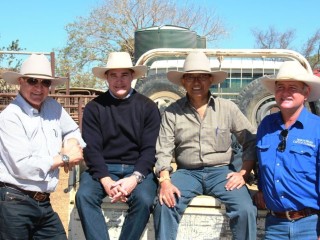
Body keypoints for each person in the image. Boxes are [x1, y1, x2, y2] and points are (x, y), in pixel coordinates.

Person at [153, 51, 257, 240]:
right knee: (164, 205)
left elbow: (250, 140)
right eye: (191, 77)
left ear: (210, 80)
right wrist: (165, 181)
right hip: (187, 173)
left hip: (221, 172)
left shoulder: (227, 108)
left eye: (202, 77)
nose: (197, 82)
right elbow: (164, 149)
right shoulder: (172, 112)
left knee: (245, 209)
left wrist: (243, 173)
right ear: (183, 81)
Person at [75, 52, 161, 240]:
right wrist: (105, 180)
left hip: (136, 168)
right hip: (103, 168)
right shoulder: (94, 107)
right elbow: (92, 148)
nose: (119, 80)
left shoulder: (147, 107)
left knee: (145, 199)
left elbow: (150, 149)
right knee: (84, 196)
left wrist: (134, 179)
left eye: (124, 75)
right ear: (106, 78)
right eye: (113, 75)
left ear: (132, 77)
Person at [0, 54, 85, 239]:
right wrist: (64, 158)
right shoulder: (10, 117)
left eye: (45, 83)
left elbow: (73, 130)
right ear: (21, 82)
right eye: (32, 81)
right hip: (14, 202)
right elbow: (22, 166)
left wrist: (70, 143)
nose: (39, 88)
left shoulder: (53, 107)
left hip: (43, 203)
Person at [254, 61, 320, 240]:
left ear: (306, 93)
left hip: (310, 226)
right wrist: (261, 188)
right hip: (274, 225)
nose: (285, 93)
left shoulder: (317, 129)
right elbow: (261, 164)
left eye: (293, 88)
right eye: (280, 87)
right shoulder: (266, 125)